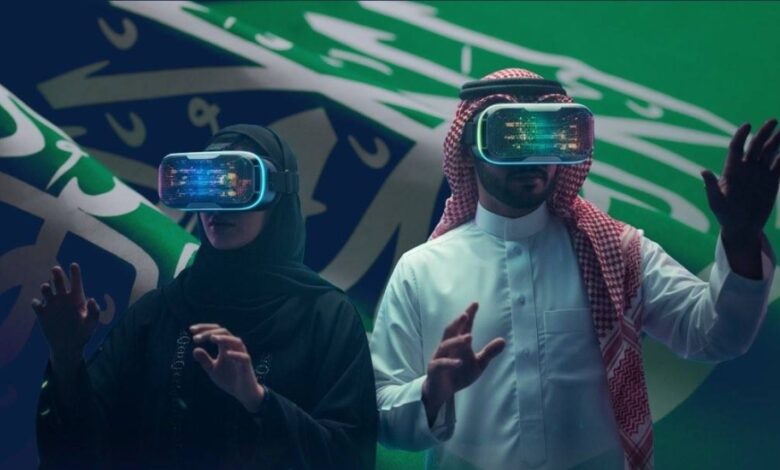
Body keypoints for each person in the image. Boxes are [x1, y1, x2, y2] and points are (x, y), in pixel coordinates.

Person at [370, 68, 778, 469]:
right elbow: (381, 415)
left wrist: (741, 240)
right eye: (511, 137)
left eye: (550, 137)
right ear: (469, 147)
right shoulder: (421, 271)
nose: (533, 156)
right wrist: (432, 393)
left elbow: (714, 336)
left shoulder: (617, 252)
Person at [33, 125, 377, 469]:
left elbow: (350, 457)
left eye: (234, 186)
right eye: (201, 186)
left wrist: (257, 399)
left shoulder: (327, 318)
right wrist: (67, 358)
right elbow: (82, 451)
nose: (216, 207)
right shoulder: (159, 313)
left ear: (276, 196)